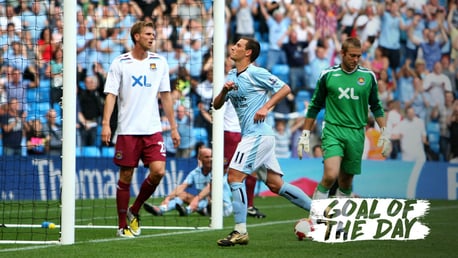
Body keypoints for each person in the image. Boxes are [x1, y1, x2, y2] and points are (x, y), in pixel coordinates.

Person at [213, 37, 312, 247]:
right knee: (276, 185)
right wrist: (224, 90)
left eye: (238, 45)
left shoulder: (256, 72)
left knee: (234, 177)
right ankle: (320, 214)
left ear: (248, 53)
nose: (233, 47)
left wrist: (266, 107)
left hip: (257, 134)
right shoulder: (232, 75)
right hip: (256, 135)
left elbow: (285, 88)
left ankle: (240, 230)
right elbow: (217, 105)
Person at [101, 21, 180, 238]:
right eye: (148, 34)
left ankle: (134, 210)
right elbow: (111, 95)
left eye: (153, 34)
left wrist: (173, 128)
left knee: (159, 171)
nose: (152, 37)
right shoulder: (120, 63)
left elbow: (165, 96)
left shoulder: (160, 62)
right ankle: (121, 226)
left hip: (153, 129)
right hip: (127, 130)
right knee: (125, 176)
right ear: (136, 36)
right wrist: (106, 123)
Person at [297, 37, 390, 202]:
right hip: (333, 130)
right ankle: (315, 219)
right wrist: (305, 134)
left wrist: (384, 130)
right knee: (330, 174)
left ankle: (339, 225)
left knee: (346, 182)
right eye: (351, 55)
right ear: (342, 53)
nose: (355, 60)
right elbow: (314, 106)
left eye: (358, 56)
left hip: (356, 133)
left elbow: (376, 106)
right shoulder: (328, 75)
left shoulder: (368, 77)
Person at [143, 147, 213, 216]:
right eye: (206, 157)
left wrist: (196, 199)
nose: (210, 159)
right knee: (182, 194)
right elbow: (182, 186)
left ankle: (188, 210)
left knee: (208, 199)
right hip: (202, 201)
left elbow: (210, 187)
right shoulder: (195, 173)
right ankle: (161, 209)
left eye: (211, 157)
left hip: (216, 204)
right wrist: (168, 198)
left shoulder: (218, 171)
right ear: (200, 158)